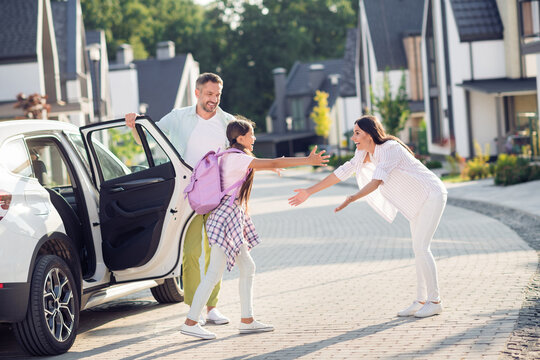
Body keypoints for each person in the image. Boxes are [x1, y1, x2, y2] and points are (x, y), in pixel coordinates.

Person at [180, 117, 330, 339]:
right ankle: (191, 322)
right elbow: (272, 162)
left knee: (247, 267)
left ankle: (247, 320)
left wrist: (269, 168)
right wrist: (308, 160)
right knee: (214, 272)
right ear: (240, 138)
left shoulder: (231, 156)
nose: (254, 138)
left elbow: (261, 167)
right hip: (225, 220)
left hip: (229, 218)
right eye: (251, 134)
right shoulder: (237, 158)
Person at [289, 115, 448, 318]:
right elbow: (344, 171)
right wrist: (310, 191)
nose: (353, 137)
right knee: (418, 250)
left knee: (421, 247)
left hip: (431, 194)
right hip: (417, 201)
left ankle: (435, 301)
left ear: (370, 134)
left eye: (357, 133)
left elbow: (376, 181)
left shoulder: (389, 148)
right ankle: (421, 300)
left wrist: (352, 198)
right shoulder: (363, 151)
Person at [125, 73, 233, 326]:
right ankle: (195, 307)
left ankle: (213, 307)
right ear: (197, 93)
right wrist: (134, 126)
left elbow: (238, 157)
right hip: (189, 195)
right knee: (191, 252)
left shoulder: (227, 122)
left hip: (218, 195)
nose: (213, 100)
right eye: (209, 94)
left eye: (217, 95)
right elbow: (148, 138)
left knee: (216, 251)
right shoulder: (178, 117)